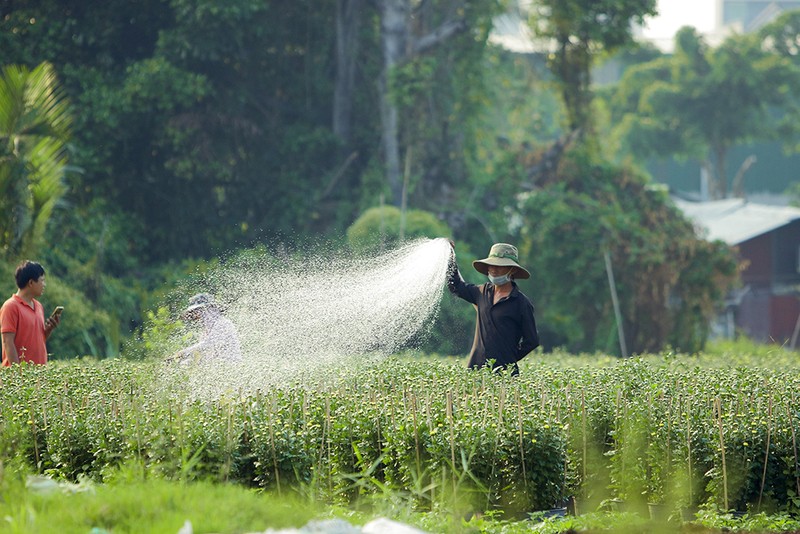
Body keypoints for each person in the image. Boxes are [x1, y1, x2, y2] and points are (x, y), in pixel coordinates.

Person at [448, 242, 539, 375]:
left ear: (511, 270)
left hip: (504, 374)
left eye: (499, 266)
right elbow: (456, 286)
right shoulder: (481, 292)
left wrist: (509, 358)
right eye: (491, 265)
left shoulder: (521, 303)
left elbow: (532, 341)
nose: (494, 270)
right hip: (476, 371)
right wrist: (450, 257)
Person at [1, 261, 61, 366]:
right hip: (19, 378)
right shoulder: (10, 306)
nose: (44, 285)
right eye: (42, 281)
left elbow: (37, 340)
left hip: (38, 375)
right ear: (31, 283)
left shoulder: (38, 306)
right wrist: (18, 375)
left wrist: (49, 329)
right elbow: (8, 342)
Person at [172, 293, 242, 364]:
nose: (195, 316)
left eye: (197, 311)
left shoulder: (223, 324)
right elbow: (205, 355)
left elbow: (207, 344)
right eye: (193, 312)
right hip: (219, 367)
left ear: (208, 309)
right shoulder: (206, 331)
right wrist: (183, 361)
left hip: (231, 365)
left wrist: (182, 353)